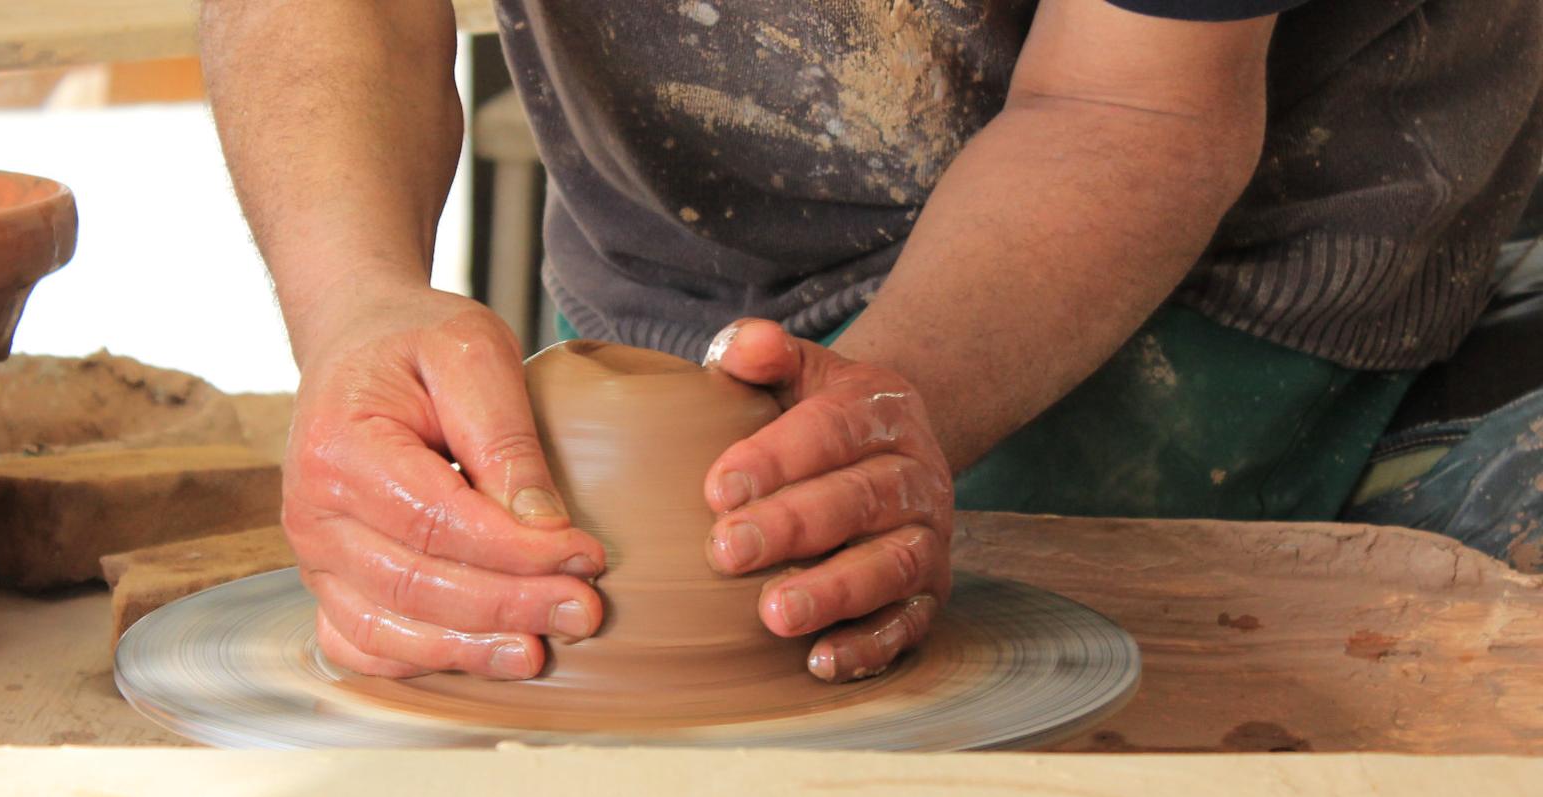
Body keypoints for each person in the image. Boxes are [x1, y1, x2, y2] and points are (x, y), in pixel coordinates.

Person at [200, 0, 1543, 683]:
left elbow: (1132, 102)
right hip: (679, 262)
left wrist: (903, 408)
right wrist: (352, 300)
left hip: (1254, 255)